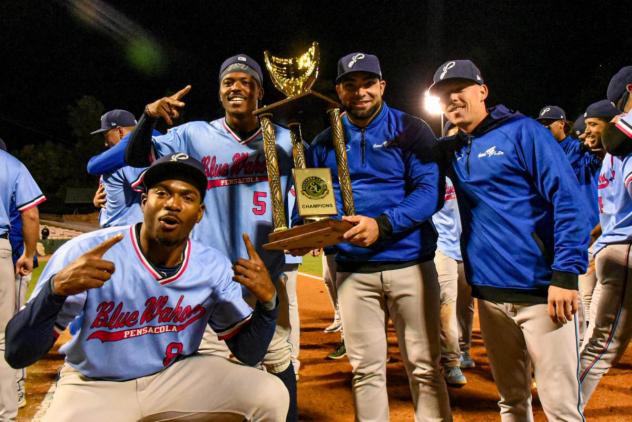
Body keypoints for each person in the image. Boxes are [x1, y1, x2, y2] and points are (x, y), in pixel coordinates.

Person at [5, 153, 289, 422]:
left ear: (199, 213)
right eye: (162, 192)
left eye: (187, 197)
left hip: (175, 376)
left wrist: (268, 304)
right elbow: (18, 354)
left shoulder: (211, 265)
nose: (173, 204)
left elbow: (248, 353)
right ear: (144, 202)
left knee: (270, 394)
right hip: (95, 384)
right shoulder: (85, 252)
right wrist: (54, 292)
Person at [125, 54, 297, 421]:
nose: (236, 87)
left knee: (278, 357)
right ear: (220, 93)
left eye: (245, 81)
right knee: (205, 370)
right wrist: (149, 116)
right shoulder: (194, 134)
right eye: (228, 82)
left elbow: (312, 196)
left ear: (260, 92)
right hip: (207, 279)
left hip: (264, 275)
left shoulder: (287, 139)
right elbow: (137, 156)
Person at [429, 59, 589, 421]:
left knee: (560, 406)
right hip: (489, 295)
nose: (452, 99)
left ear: (482, 91)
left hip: (541, 293)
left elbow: (569, 199)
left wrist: (565, 274)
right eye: (444, 95)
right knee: (511, 401)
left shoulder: (524, 131)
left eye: (460, 90)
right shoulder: (453, 148)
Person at [304, 52, 451, 421]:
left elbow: (428, 192)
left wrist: (381, 224)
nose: (360, 92)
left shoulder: (411, 128)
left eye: (368, 83)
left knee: (424, 366)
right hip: (353, 269)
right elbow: (318, 199)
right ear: (339, 91)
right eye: (350, 85)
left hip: (410, 264)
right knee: (365, 369)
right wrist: (312, 226)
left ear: (382, 86)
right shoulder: (324, 140)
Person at [579, 69, 632, 408]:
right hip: (626, 249)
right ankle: (566, 410)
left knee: (599, 341)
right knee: (601, 345)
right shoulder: (623, 136)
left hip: (614, 247)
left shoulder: (615, 147)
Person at [537, 105, 603, 329]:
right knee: (578, 292)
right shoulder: (543, 154)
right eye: (542, 124)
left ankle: (586, 345)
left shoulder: (579, 149)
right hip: (561, 233)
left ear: (562, 123)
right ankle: (581, 340)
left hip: (590, 231)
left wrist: (591, 145)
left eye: (549, 123)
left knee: (588, 293)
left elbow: (595, 158)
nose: (544, 127)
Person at [0, 142, 46, 421]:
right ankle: (6, 412)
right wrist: (29, 254)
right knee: (2, 340)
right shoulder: (11, 163)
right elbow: (30, 214)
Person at [433, 175, 469, 387]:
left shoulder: (469, 172)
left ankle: (465, 350)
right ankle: (451, 361)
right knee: (446, 302)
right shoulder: (437, 176)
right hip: (442, 246)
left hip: (468, 246)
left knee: (466, 304)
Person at [88, 109, 145, 228]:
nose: (105, 143)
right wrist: (98, 201)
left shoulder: (130, 159)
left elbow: (151, 191)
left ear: (120, 131)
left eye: (106, 135)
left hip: (126, 231)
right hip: (115, 230)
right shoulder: (115, 159)